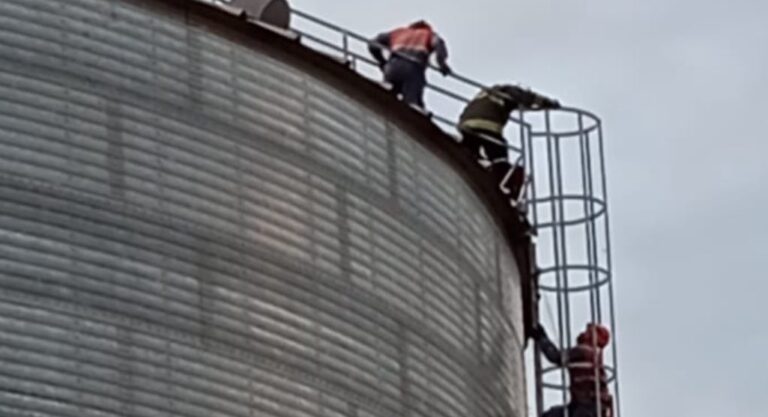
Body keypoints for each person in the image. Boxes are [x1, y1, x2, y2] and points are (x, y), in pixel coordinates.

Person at [458, 85, 560, 203]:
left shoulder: (487, 93)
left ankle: (473, 161)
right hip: (487, 124)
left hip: (466, 125)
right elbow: (526, 98)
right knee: (499, 152)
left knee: (471, 150)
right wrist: (547, 102)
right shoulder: (507, 91)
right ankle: (503, 183)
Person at [533, 323, 614, 417]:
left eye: (588, 332)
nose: (583, 333)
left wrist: (541, 337)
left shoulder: (584, 350)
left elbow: (555, 356)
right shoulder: (596, 358)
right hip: (588, 407)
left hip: (585, 407)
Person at [368, 20, 452, 108]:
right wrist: (442, 64)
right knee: (412, 103)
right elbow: (439, 45)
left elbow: (373, 44)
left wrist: (383, 62)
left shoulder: (398, 32)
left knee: (386, 94)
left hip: (392, 68)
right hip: (413, 70)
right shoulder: (428, 34)